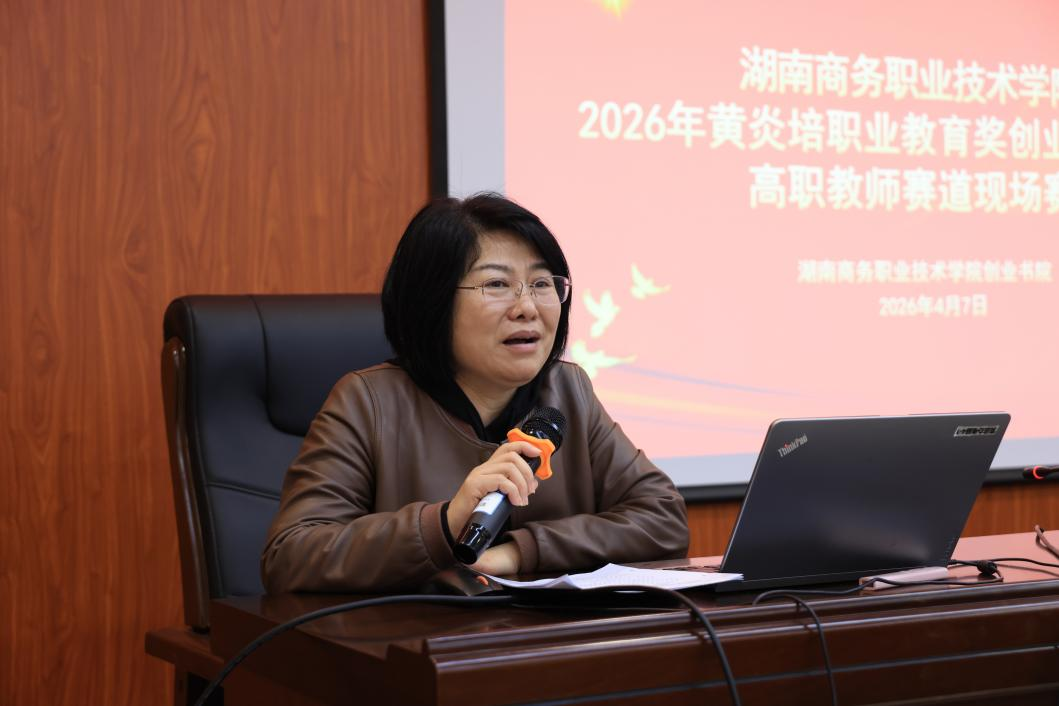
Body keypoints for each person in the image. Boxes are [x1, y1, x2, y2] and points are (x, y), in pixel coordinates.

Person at [261, 194, 688, 593]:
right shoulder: (367, 403)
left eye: (542, 284)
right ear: (432, 304)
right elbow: (290, 555)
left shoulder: (567, 392)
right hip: (416, 641)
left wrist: (519, 552)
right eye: (497, 285)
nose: (528, 307)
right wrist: (445, 522)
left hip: (545, 641)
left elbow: (661, 518)